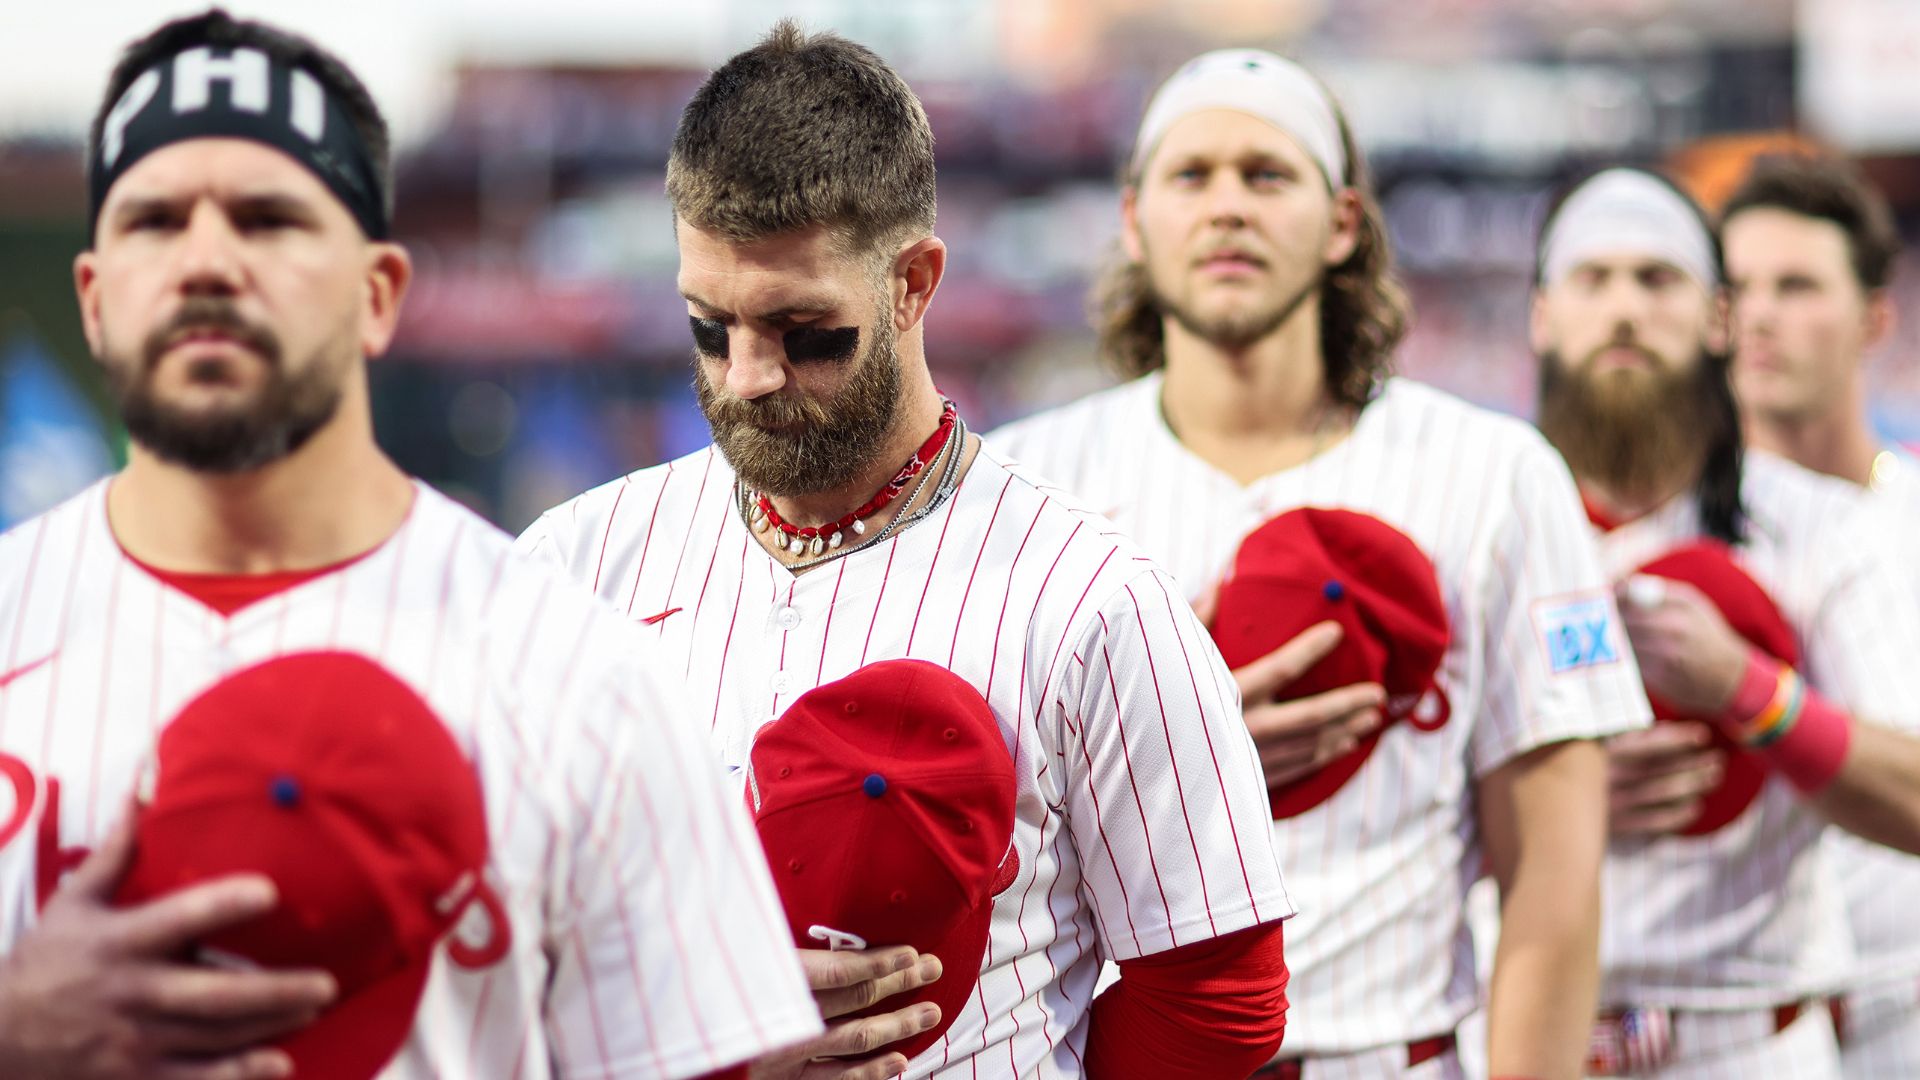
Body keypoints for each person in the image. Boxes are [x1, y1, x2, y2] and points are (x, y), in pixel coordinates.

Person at [0, 11, 821, 1079]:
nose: (207, 260)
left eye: (267, 218)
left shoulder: (578, 669)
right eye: (155, 221)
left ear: (378, 293)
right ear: (95, 301)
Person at [516, 22, 1294, 1080]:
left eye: (805, 331)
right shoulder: (573, 564)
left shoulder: (1090, 594)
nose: (746, 376)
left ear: (914, 282)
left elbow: (1217, 998)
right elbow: (484, 946)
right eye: (710, 327)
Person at [989, 48, 1641, 1079]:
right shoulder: (1026, 483)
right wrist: (1178, 747)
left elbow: (1555, 885)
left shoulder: (1496, 473)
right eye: (1191, 176)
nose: (1228, 207)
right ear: (1133, 220)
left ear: (1343, 223)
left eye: (1268, 173)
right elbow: (998, 838)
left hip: (1391, 1049)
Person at [1528, 165, 1920, 1076]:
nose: (1624, 308)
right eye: (1594, 278)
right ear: (1543, 315)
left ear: (1717, 319)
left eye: (1657, 279)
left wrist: (1756, 693)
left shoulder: (1824, 526)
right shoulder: (1474, 524)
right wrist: (1556, 795)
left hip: (1749, 1039)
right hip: (1534, 1040)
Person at [1719, 153, 1920, 1076]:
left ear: (1874, 318)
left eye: (1796, 286)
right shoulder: (1681, 538)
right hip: (1765, 1027)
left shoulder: (1905, 517)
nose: (1758, 314)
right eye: (1739, 287)